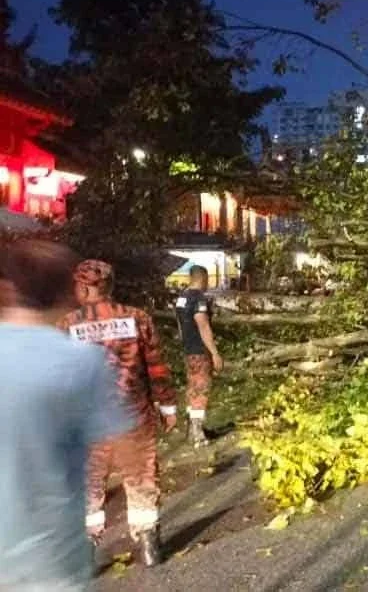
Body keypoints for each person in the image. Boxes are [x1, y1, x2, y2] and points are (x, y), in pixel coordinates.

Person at [0, 240, 133, 591]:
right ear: (67, 290)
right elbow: (153, 367)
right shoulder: (82, 356)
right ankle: (145, 536)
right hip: (51, 559)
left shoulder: (71, 330)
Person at [59, 260, 177, 567]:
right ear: (110, 286)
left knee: (89, 485)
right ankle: (149, 544)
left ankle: (85, 550)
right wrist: (167, 406)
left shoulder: (66, 325)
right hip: (133, 418)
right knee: (142, 479)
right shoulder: (138, 318)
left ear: (84, 288)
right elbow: (156, 367)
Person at [174, 265, 223, 447]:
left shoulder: (182, 298)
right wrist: (214, 353)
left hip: (188, 350)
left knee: (193, 388)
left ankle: (193, 430)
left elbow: (179, 324)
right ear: (202, 278)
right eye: (207, 279)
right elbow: (203, 325)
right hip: (200, 351)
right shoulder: (198, 298)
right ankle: (197, 434)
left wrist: (184, 343)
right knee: (201, 390)